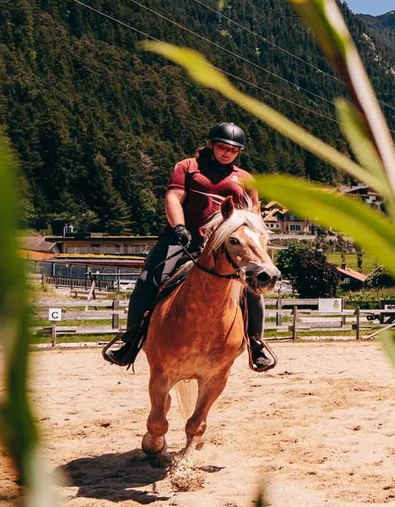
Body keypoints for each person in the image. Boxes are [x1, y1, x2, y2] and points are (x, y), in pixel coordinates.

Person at [102, 123, 276, 372]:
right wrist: (179, 227)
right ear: (211, 145)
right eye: (223, 147)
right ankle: (130, 341)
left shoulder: (246, 178)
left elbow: (253, 213)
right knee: (147, 279)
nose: (227, 153)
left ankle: (256, 343)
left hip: (227, 247)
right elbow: (174, 197)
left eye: (234, 150)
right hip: (185, 239)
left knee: (253, 289)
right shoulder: (187, 168)